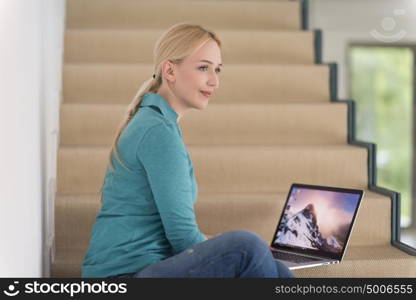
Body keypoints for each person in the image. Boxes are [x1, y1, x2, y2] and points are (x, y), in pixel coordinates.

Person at [81, 22, 294, 278]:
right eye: (203, 68)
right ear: (170, 70)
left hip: (145, 270)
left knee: (271, 263)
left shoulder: (156, 121)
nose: (214, 81)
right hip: (125, 277)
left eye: (217, 70)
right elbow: (183, 237)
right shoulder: (158, 131)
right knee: (247, 247)